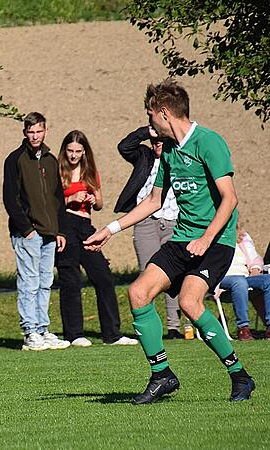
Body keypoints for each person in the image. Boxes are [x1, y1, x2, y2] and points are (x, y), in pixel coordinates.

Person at [84, 79, 255, 403]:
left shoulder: (209, 142)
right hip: (182, 241)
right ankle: (162, 375)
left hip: (215, 241)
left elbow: (229, 199)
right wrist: (110, 229)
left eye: (150, 116)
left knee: (191, 303)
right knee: (138, 292)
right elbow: (152, 201)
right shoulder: (171, 152)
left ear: (163, 113)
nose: (149, 124)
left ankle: (240, 376)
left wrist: (206, 239)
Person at [55, 130, 137, 347]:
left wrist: (93, 198)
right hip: (65, 224)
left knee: (103, 276)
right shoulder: (57, 170)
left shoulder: (89, 171)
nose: (73, 156)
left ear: (84, 152)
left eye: (78, 152)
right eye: (70, 151)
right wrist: (70, 197)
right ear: (65, 151)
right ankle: (74, 334)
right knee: (71, 279)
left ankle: (112, 334)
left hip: (85, 225)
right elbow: (50, 204)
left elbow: (100, 204)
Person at [2, 112, 70, 351]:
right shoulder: (15, 160)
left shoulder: (51, 160)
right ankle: (30, 333)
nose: (35, 136)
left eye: (39, 131)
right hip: (27, 234)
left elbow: (57, 197)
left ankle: (43, 329)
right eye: (30, 132)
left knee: (45, 282)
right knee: (29, 282)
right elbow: (10, 199)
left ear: (45, 131)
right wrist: (27, 229)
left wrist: (60, 230)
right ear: (25, 133)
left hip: (50, 233)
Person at [115, 125, 182, 339]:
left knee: (172, 274)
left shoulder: (179, 157)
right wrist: (147, 132)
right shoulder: (144, 156)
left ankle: (174, 327)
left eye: (162, 139)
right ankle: (150, 326)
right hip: (146, 222)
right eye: (155, 140)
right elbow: (124, 147)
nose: (158, 144)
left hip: (174, 222)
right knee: (148, 273)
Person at [217, 222, 270, 340]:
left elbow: (254, 258)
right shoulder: (211, 238)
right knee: (239, 281)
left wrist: (255, 269)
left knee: (267, 280)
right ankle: (243, 328)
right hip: (222, 280)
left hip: (245, 278)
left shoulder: (242, 237)